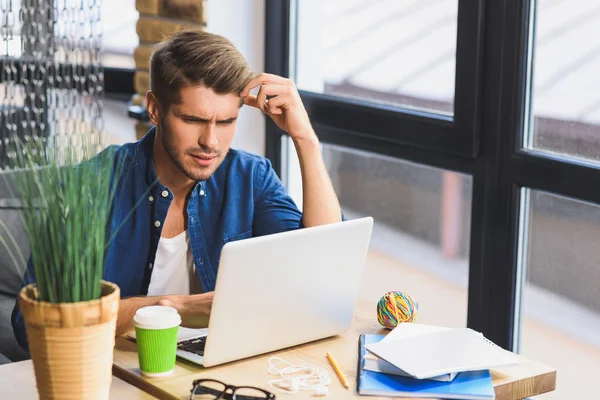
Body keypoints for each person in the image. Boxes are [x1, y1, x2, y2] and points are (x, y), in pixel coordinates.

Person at [12, 29, 343, 350]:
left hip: (217, 370)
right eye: (193, 120)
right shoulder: (88, 186)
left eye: (226, 122)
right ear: (155, 109)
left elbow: (323, 271)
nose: (210, 142)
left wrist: (306, 139)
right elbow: (34, 325)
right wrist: (176, 307)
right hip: (115, 376)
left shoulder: (250, 177)